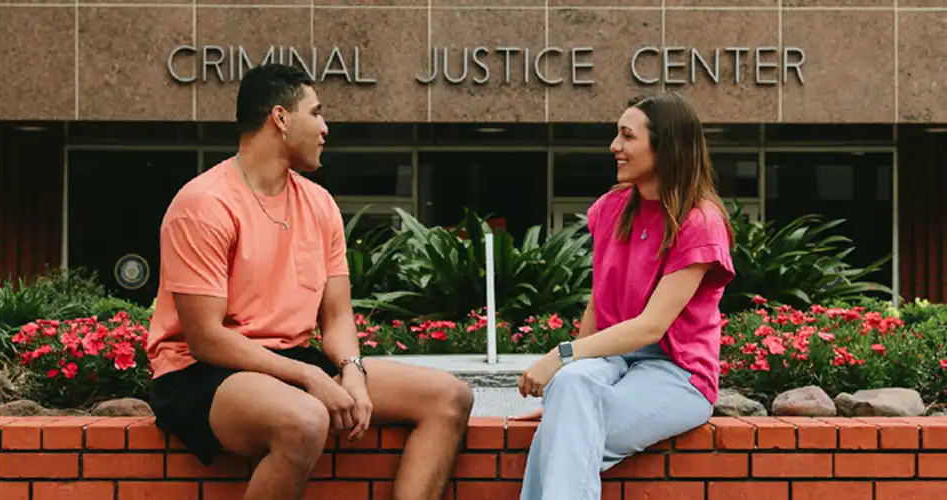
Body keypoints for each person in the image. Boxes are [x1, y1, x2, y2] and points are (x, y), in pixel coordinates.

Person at [145, 62, 475, 500]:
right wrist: (311, 379)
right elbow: (206, 338)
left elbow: (337, 315)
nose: (325, 128)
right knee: (303, 420)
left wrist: (350, 373)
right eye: (316, 113)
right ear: (280, 118)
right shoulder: (204, 204)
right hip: (201, 373)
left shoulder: (320, 205)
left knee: (449, 397)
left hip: (289, 364)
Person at [514, 91, 736, 499]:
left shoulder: (699, 221)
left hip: (678, 373)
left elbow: (650, 327)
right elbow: (599, 301)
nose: (614, 147)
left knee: (567, 436)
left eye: (627, 136)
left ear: (665, 145)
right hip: (612, 360)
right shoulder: (612, 208)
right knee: (571, 393)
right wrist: (563, 388)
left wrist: (558, 357)